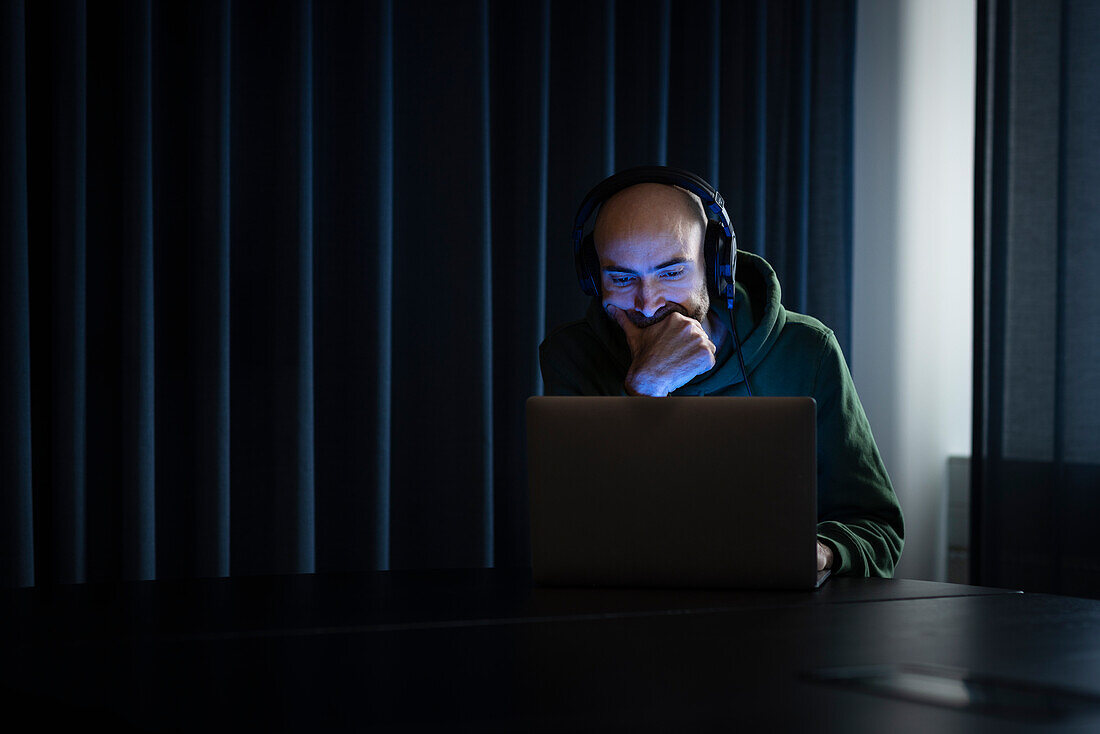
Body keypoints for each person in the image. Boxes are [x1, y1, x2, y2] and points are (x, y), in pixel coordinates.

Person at [539, 168, 904, 576]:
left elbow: (878, 529)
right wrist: (645, 388)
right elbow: (581, 528)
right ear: (593, 278)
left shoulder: (808, 349)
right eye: (622, 278)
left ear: (715, 266)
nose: (647, 303)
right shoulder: (571, 355)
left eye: (671, 272)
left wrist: (820, 552)